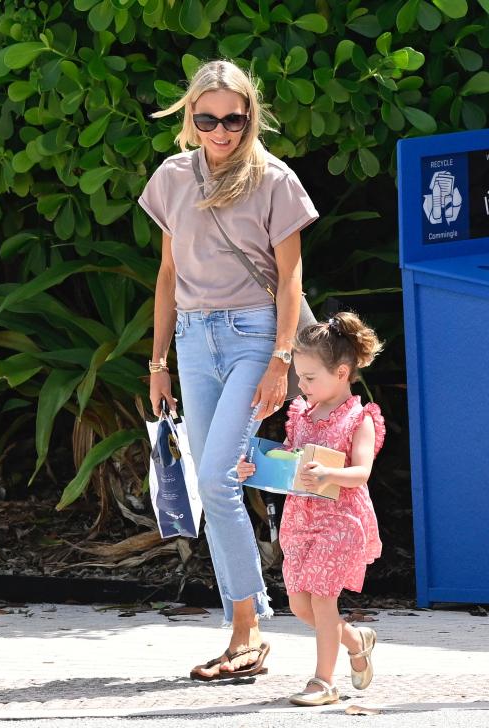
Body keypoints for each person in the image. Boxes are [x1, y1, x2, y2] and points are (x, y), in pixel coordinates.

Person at [140, 59, 319, 680]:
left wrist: (281, 358)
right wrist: (157, 362)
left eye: (233, 119)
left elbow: (291, 277)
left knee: (217, 478)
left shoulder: (273, 179)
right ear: (190, 118)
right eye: (208, 118)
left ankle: (248, 631)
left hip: (254, 335)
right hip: (192, 339)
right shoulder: (170, 178)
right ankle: (249, 627)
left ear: (251, 117)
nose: (221, 131)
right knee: (216, 482)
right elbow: (167, 275)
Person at [236, 312, 385, 706]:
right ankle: (356, 640)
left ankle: (324, 682)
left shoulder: (360, 417)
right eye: (298, 377)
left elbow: (362, 471)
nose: (300, 385)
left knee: (322, 599)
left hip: (340, 521)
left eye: (309, 377)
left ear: (340, 372)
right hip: (300, 519)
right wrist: (254, 467)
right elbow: (288, 461)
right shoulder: (300, 413)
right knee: (301, 605)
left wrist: (328, 475)